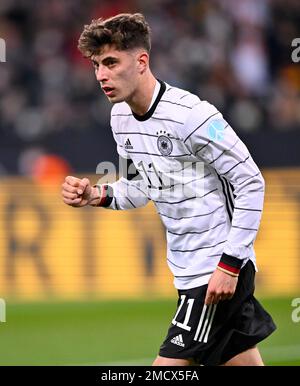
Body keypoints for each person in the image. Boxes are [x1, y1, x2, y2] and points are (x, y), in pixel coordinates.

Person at [61, 13, 276, 366]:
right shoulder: (120, 117)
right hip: (187, 267)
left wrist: (230, 264)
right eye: (97, 65)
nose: (101, 75)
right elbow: (139, 187)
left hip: (215, 268)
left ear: (141, 61)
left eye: (112, 63)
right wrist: (95, 196)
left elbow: (250, 180)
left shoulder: (193, 116)